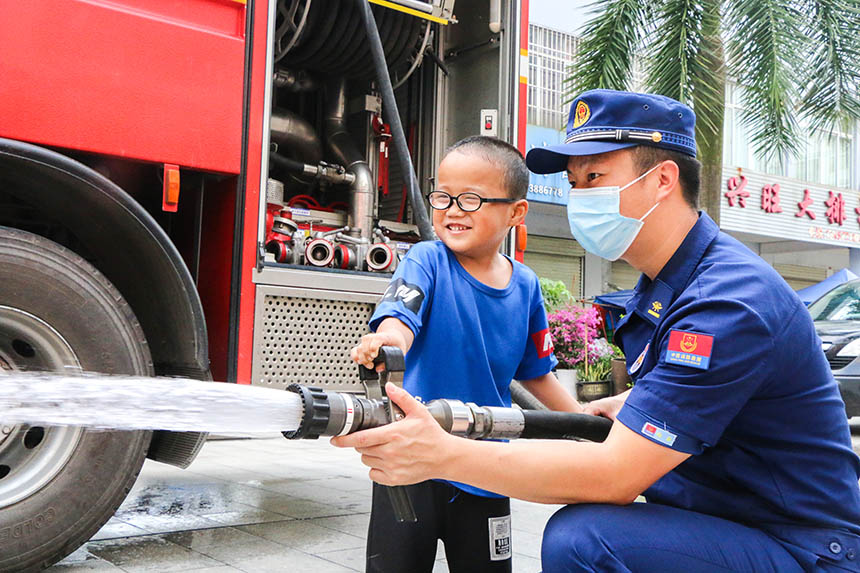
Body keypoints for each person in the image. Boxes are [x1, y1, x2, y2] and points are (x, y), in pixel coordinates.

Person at [335, 90, 860, 572]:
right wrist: (639, 401)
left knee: (584, 538)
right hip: (730, 519)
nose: (579, 198)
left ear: (661, 181)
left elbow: (614, 476)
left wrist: (442, 453)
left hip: (801, 546)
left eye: (595, 178)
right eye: (573, 182)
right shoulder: (666, 288)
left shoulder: (727, 301)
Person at [350, 135, 581, 572]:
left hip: (487, 464)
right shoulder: (427, 259)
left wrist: (586, 425)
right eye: (443, 195)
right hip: (411, 455)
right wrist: (387, 342)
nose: (453, 209)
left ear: (516, 212)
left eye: (472, 199)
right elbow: (402, 318)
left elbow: (537, 375)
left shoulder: (527, 285)